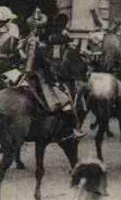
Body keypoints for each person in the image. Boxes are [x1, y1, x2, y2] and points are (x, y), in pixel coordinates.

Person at [21, 7, 85, 140]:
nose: (44, 30)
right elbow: (43, 64)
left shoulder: (26, 40)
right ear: (39, 28)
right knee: (64, 100)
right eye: (42, 27)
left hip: (22, 74)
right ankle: (68, 130)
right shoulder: (37, 42)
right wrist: (52, 78)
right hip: (37, 75)